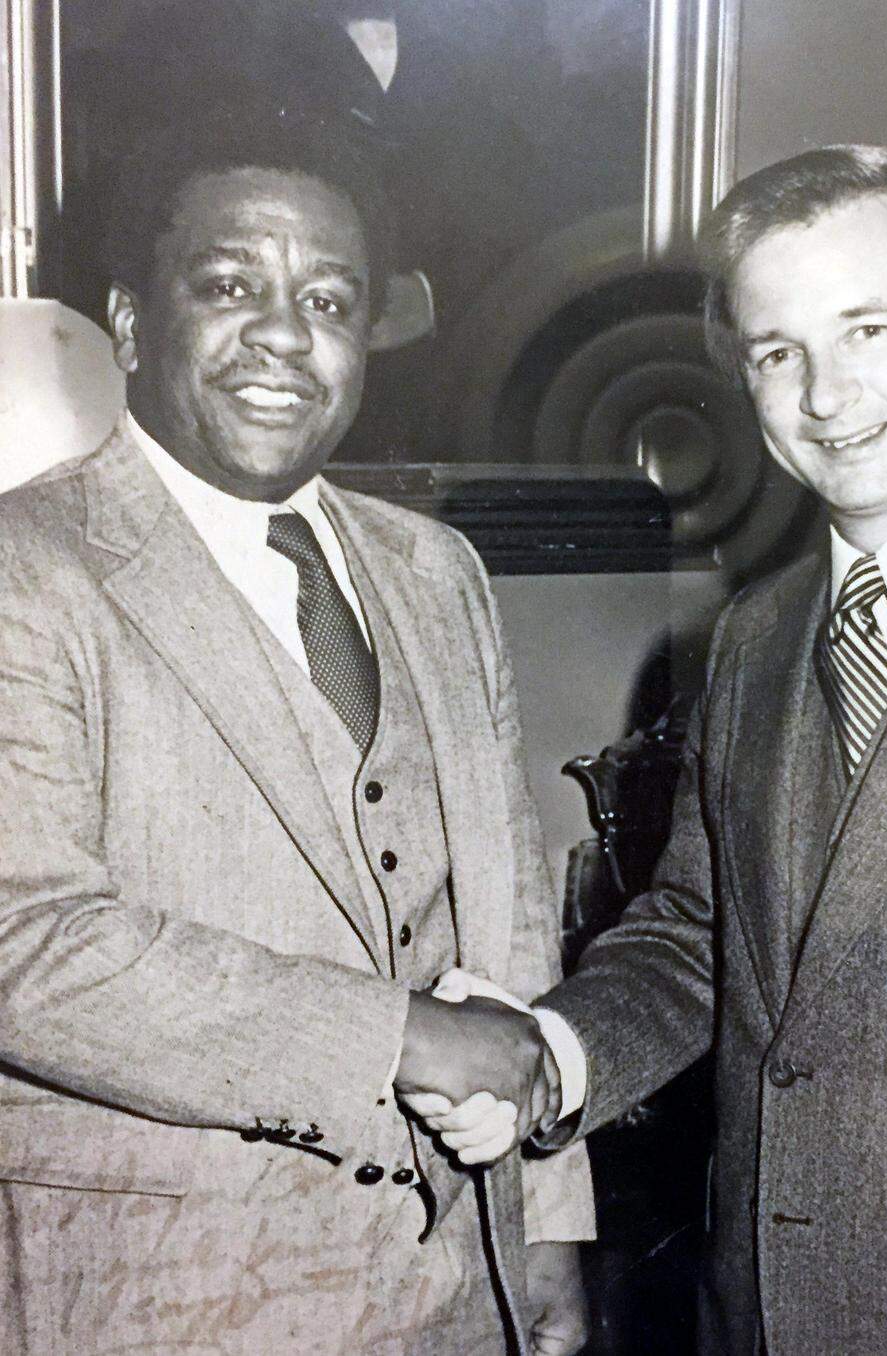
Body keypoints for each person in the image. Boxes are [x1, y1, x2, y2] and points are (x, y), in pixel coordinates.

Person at [415, 145, 887, 1354]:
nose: (825, 392)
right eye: (777, 352)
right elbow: (708, 932)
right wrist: (553, 1054)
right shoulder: (756, 635)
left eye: (866, 329)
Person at [0, 105, 591, 1355]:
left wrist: (545, 1231)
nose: (283, 334)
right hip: (155, 1299)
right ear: (127, 320)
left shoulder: (438, 572)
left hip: (454, 1302)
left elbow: (511, 915)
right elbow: (27, 946)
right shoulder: (24, 569)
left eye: (328, 302)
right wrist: (405, 1038)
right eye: (228, 285)